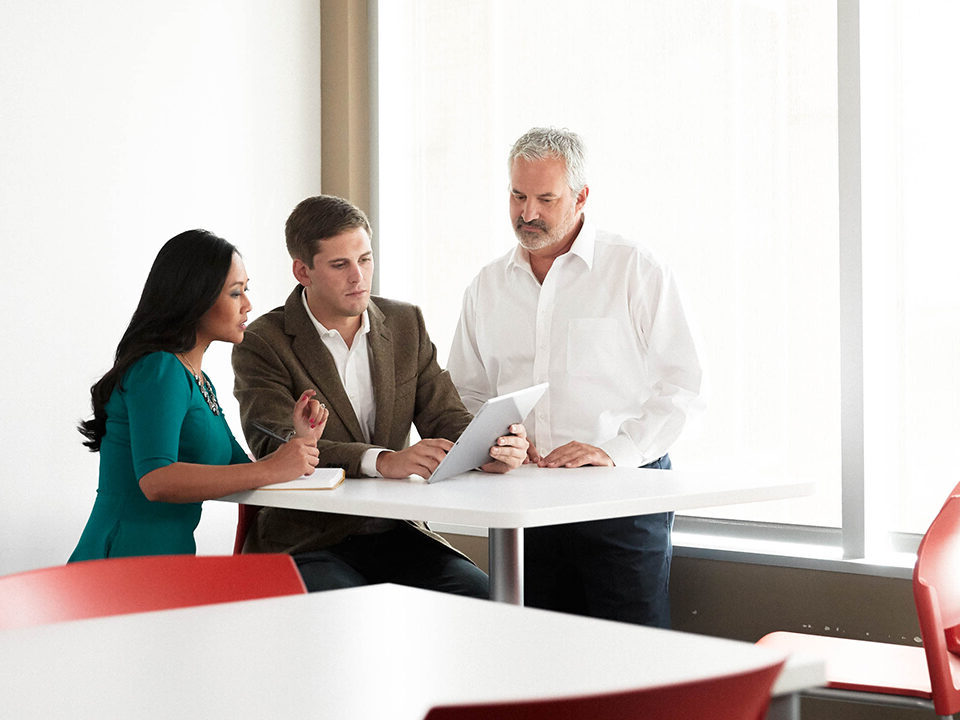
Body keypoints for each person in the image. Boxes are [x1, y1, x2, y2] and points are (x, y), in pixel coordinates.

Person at [447, 127, 704, 626]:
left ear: (582, 197)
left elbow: (684, 386)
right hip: (523, 506)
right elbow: (465, 393)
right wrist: (492, 444)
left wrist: (615, 453)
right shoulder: (486, 286)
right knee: (539, 662)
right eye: (518, 195)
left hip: (623, 500)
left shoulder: (635, 268)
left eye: (546, 198)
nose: (527, 213)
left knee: (631, 664)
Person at [231, 194, 529, 597]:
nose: (359, 277)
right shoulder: (263, 342)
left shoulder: (406, 323)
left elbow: (446, 418)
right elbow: (275, 443)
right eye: (340, 265)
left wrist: (494, 447)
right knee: (350, 616)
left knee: (485, 598)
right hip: (308, 541)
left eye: (365, 259)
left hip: (399, 533)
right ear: (303, 271)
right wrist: (382, 461)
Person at [71, 230, 328, 562]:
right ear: (196, 298)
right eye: (236, 293)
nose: (248, 305)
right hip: (121, 563)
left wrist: (300, 441)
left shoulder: (198, 380)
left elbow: (241, 472)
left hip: (166, 565)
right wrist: (273, 469)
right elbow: (157, 480)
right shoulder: (160, 369)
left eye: (246, 290)